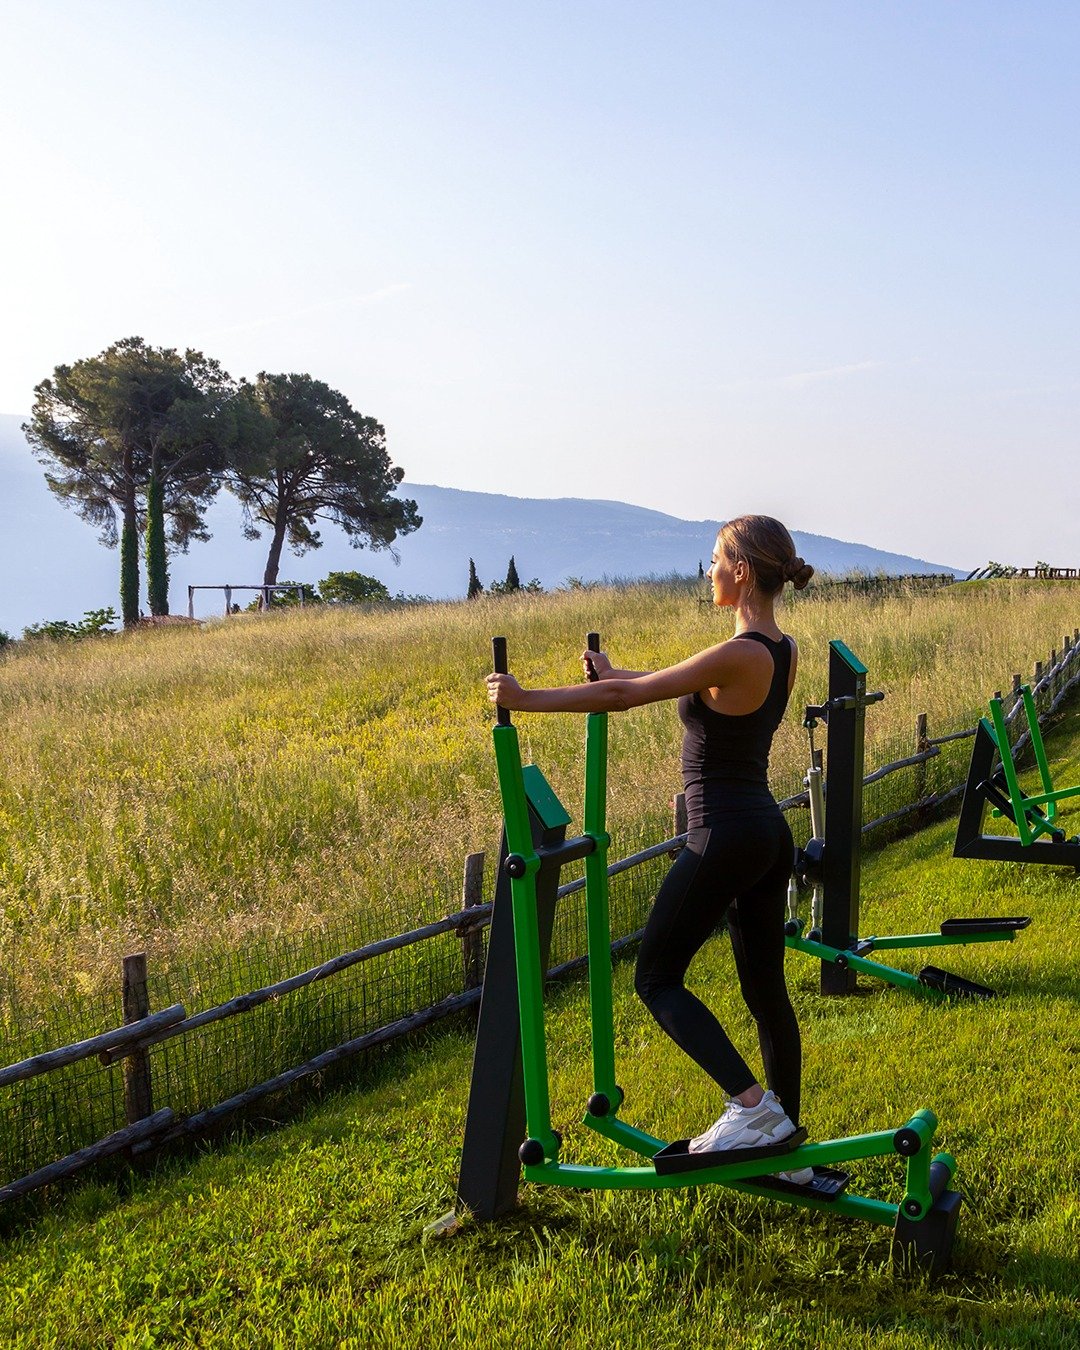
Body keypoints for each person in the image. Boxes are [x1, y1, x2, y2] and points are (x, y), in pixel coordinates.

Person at [485, 514, 815, 1175]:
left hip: (721, 834)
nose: (710, 570)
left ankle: (753, 1111)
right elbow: (668, 681)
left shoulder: (740, 649)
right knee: (766, 993)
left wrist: (524, 698)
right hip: (764, 832)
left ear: (743, 571)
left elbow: (625, 696)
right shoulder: (777, 649)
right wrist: (617, 670)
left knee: (658, 977)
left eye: (716, 560)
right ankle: (781, 1139)